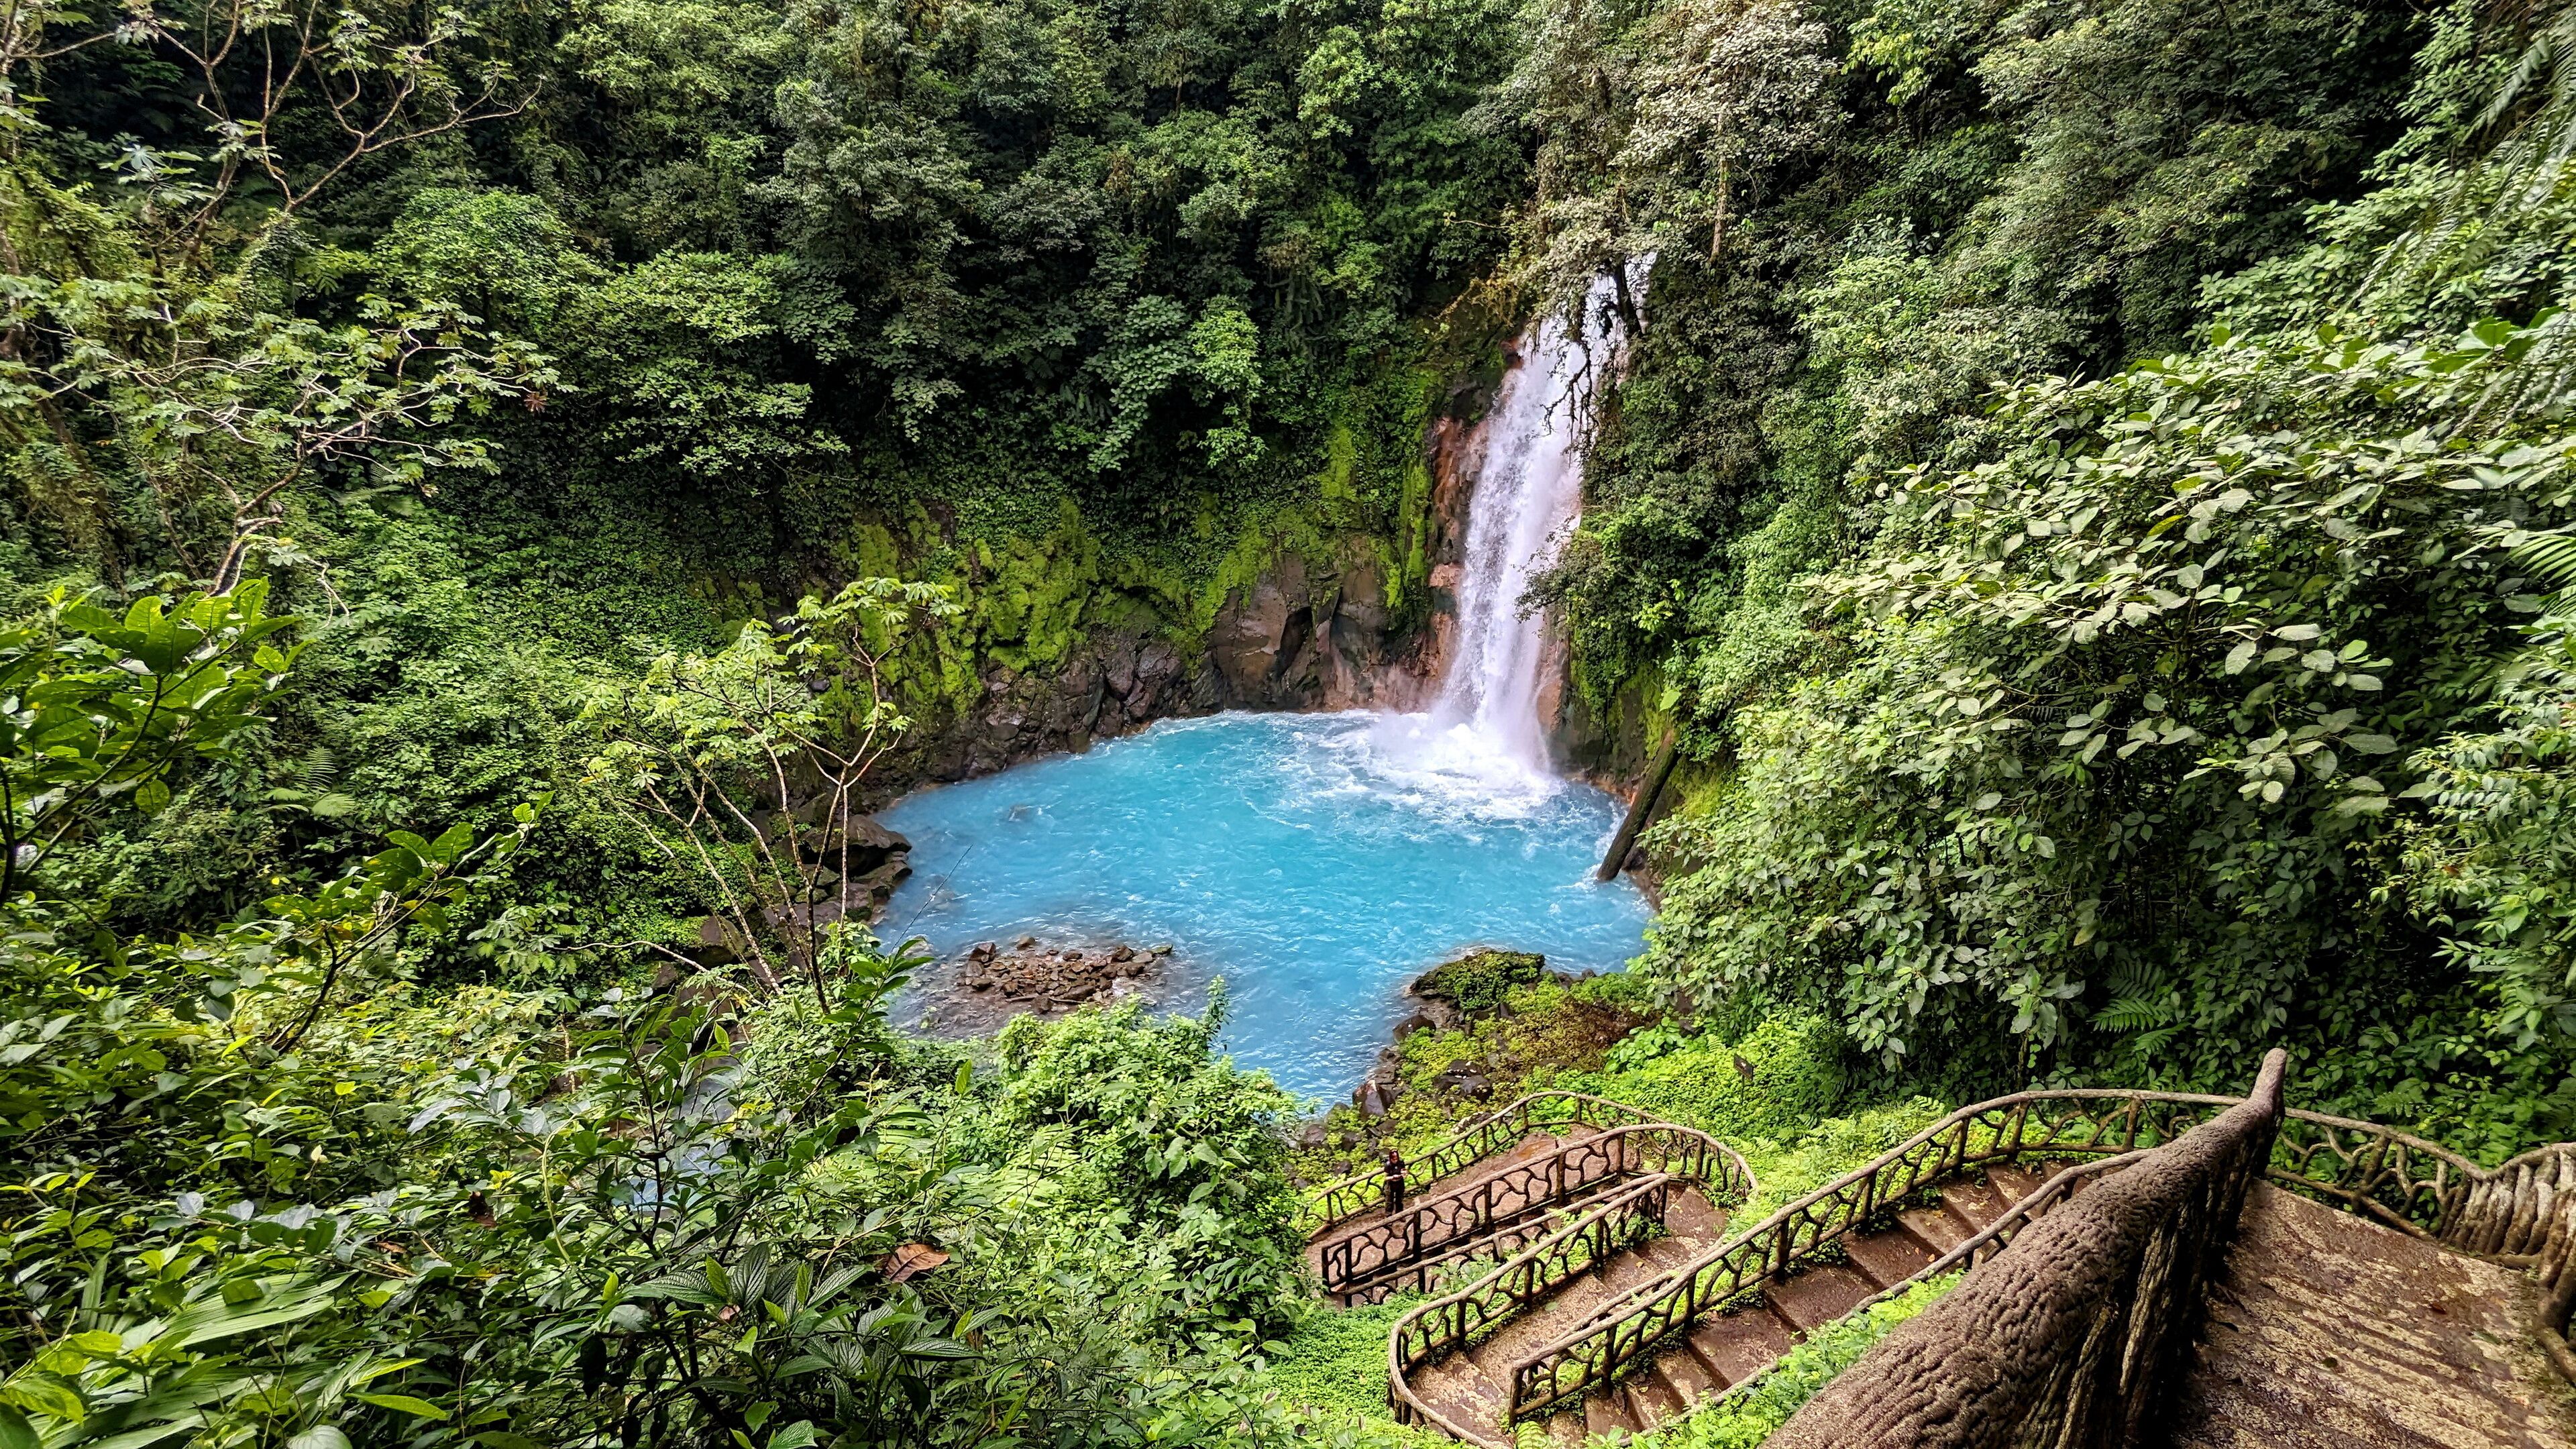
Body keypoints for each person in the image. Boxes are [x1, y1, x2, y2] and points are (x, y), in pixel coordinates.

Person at [1381, 1148, 1407, 1214]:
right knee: (1389, 1201)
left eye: (1396, 1159)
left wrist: (1404, 1174)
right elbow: (1386, 1178)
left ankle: (1400, 1214)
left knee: (1399, 1200)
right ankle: (1388, 1216)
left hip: (1400, 1182)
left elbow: (1404, 1170)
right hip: (1391, 1184)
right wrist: (1393, 1177)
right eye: (1394, 1159)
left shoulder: (1401, 1162)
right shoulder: (1388, 1165)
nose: (1395, 1161)